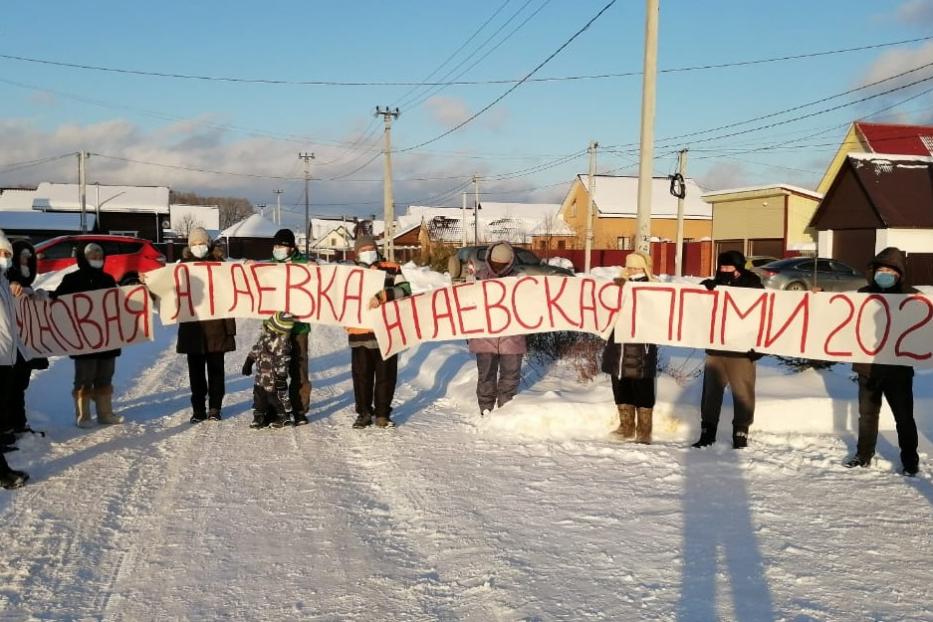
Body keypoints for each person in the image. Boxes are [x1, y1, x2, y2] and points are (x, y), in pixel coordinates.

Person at [845, 247, 920, 476]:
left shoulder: (912, 297)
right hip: (868, 368)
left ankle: (910, 461)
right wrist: (815, 298)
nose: (885, 274)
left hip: (898, 370)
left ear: (899, 274)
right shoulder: (863, 295)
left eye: (890, 270)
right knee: (867, 416)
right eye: (881, 269)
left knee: (904, 417)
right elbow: (842, 318)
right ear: (874, 271)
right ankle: (863, 455)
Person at [692, 250, 764, 449]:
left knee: (743, 393)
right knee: (710, 394)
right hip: (716, 349)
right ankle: (707, 433)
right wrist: (704, 290)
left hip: (742, 352)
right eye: (721, 267)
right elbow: (695, 306)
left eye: (728, 267)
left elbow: (765, 316)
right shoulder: (715, 284)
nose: (723, 271)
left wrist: (760, 346)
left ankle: (740, 433)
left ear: (738, 268)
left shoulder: (754, 286)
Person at [54, 242, 123, 428]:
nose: (97, 260)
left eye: (100, 256)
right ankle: (83, 415)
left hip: (107, 339)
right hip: (83, 340)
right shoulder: (72, 279)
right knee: (84, 377)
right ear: (83, 258)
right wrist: (43, 296)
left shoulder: (108, 279)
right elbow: (58, 301)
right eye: (93, 256)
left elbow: (119, 304)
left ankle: (105, 413)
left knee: (105, 375)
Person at [346, 234, 411, 428]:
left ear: (376, 249)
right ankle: (364, 413)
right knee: (361, 377)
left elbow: (406, 289)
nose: (367, 253)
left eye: (370, 249)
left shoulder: (392, 268)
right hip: (359, 333)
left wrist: (384, 295)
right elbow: (340, 300)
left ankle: (383, 413)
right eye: (363, 250)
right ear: (357, 253)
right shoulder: (350, 273)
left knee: (386, 376)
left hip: (386, 333)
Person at [177, 228, 236, 423]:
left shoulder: (220, 265)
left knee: (216, 371)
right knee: (196, 374)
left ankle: (215, 408)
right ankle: (198, 410)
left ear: (208, 244)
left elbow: (235, 288)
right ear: (189, 246)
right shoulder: (181, 268)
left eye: (201, 243)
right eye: (194, 244)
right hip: (193, 330)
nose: (198, 247)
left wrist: (230, 330)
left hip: (216, 327)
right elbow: (167, 292)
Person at [601, 251, 658, 443]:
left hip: (642, 347)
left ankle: (644, 430)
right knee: (620, 384)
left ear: (645, 268)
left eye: (636, 267)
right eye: (629, 266)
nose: (632, 270)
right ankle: (625, 427)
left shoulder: (655, 288)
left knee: (643, 386)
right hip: (618, 346)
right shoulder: (617, 286)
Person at [469, 241, 527, 416]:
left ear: (509, 262)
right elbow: (468, 305)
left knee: (510, 376)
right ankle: (486, 408)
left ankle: (505, 409)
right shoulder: (478, 279)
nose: (498, 268)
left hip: (512, 337)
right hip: (484, 336)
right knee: (486, 374)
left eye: (502, 265)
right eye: (496, 264)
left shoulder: (520, 280)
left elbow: (530, 305)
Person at [2, 240, 49, 445]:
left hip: (21, 345)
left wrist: (36, 296)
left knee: (19, 384)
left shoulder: (18, 280)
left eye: (29, 257)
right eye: (22, 256)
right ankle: (6, 429)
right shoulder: (7, 280)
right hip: (7, 346)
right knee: (8, 388)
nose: (26, 260)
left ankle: (18, 424)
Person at [269, 228, 311, 426]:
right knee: (275, 371)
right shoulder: (269, 267)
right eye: (276, 245)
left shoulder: (304, 266)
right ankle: (278, 410)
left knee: (299, 370)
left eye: (282, 246)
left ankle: (300, 410)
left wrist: (315, 268)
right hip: (274, 327)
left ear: (291, 248)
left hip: (299, 327)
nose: (278, 249)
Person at [0, 229, 29, 488]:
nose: (5, 258)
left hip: (6, 357)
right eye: (0, 253)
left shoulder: (3, 280)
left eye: (6, 253)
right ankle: (2, 473)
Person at [242, 312, 294, 429]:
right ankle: (259, 416)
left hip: (274, 378)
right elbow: (257, 349)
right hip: (261, 376)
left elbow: (283, 361)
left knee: (276, 397)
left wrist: (281, 377)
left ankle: (283, 417)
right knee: (259, 396)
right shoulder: (265, 336)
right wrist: (249, 361)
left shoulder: (282, 343)